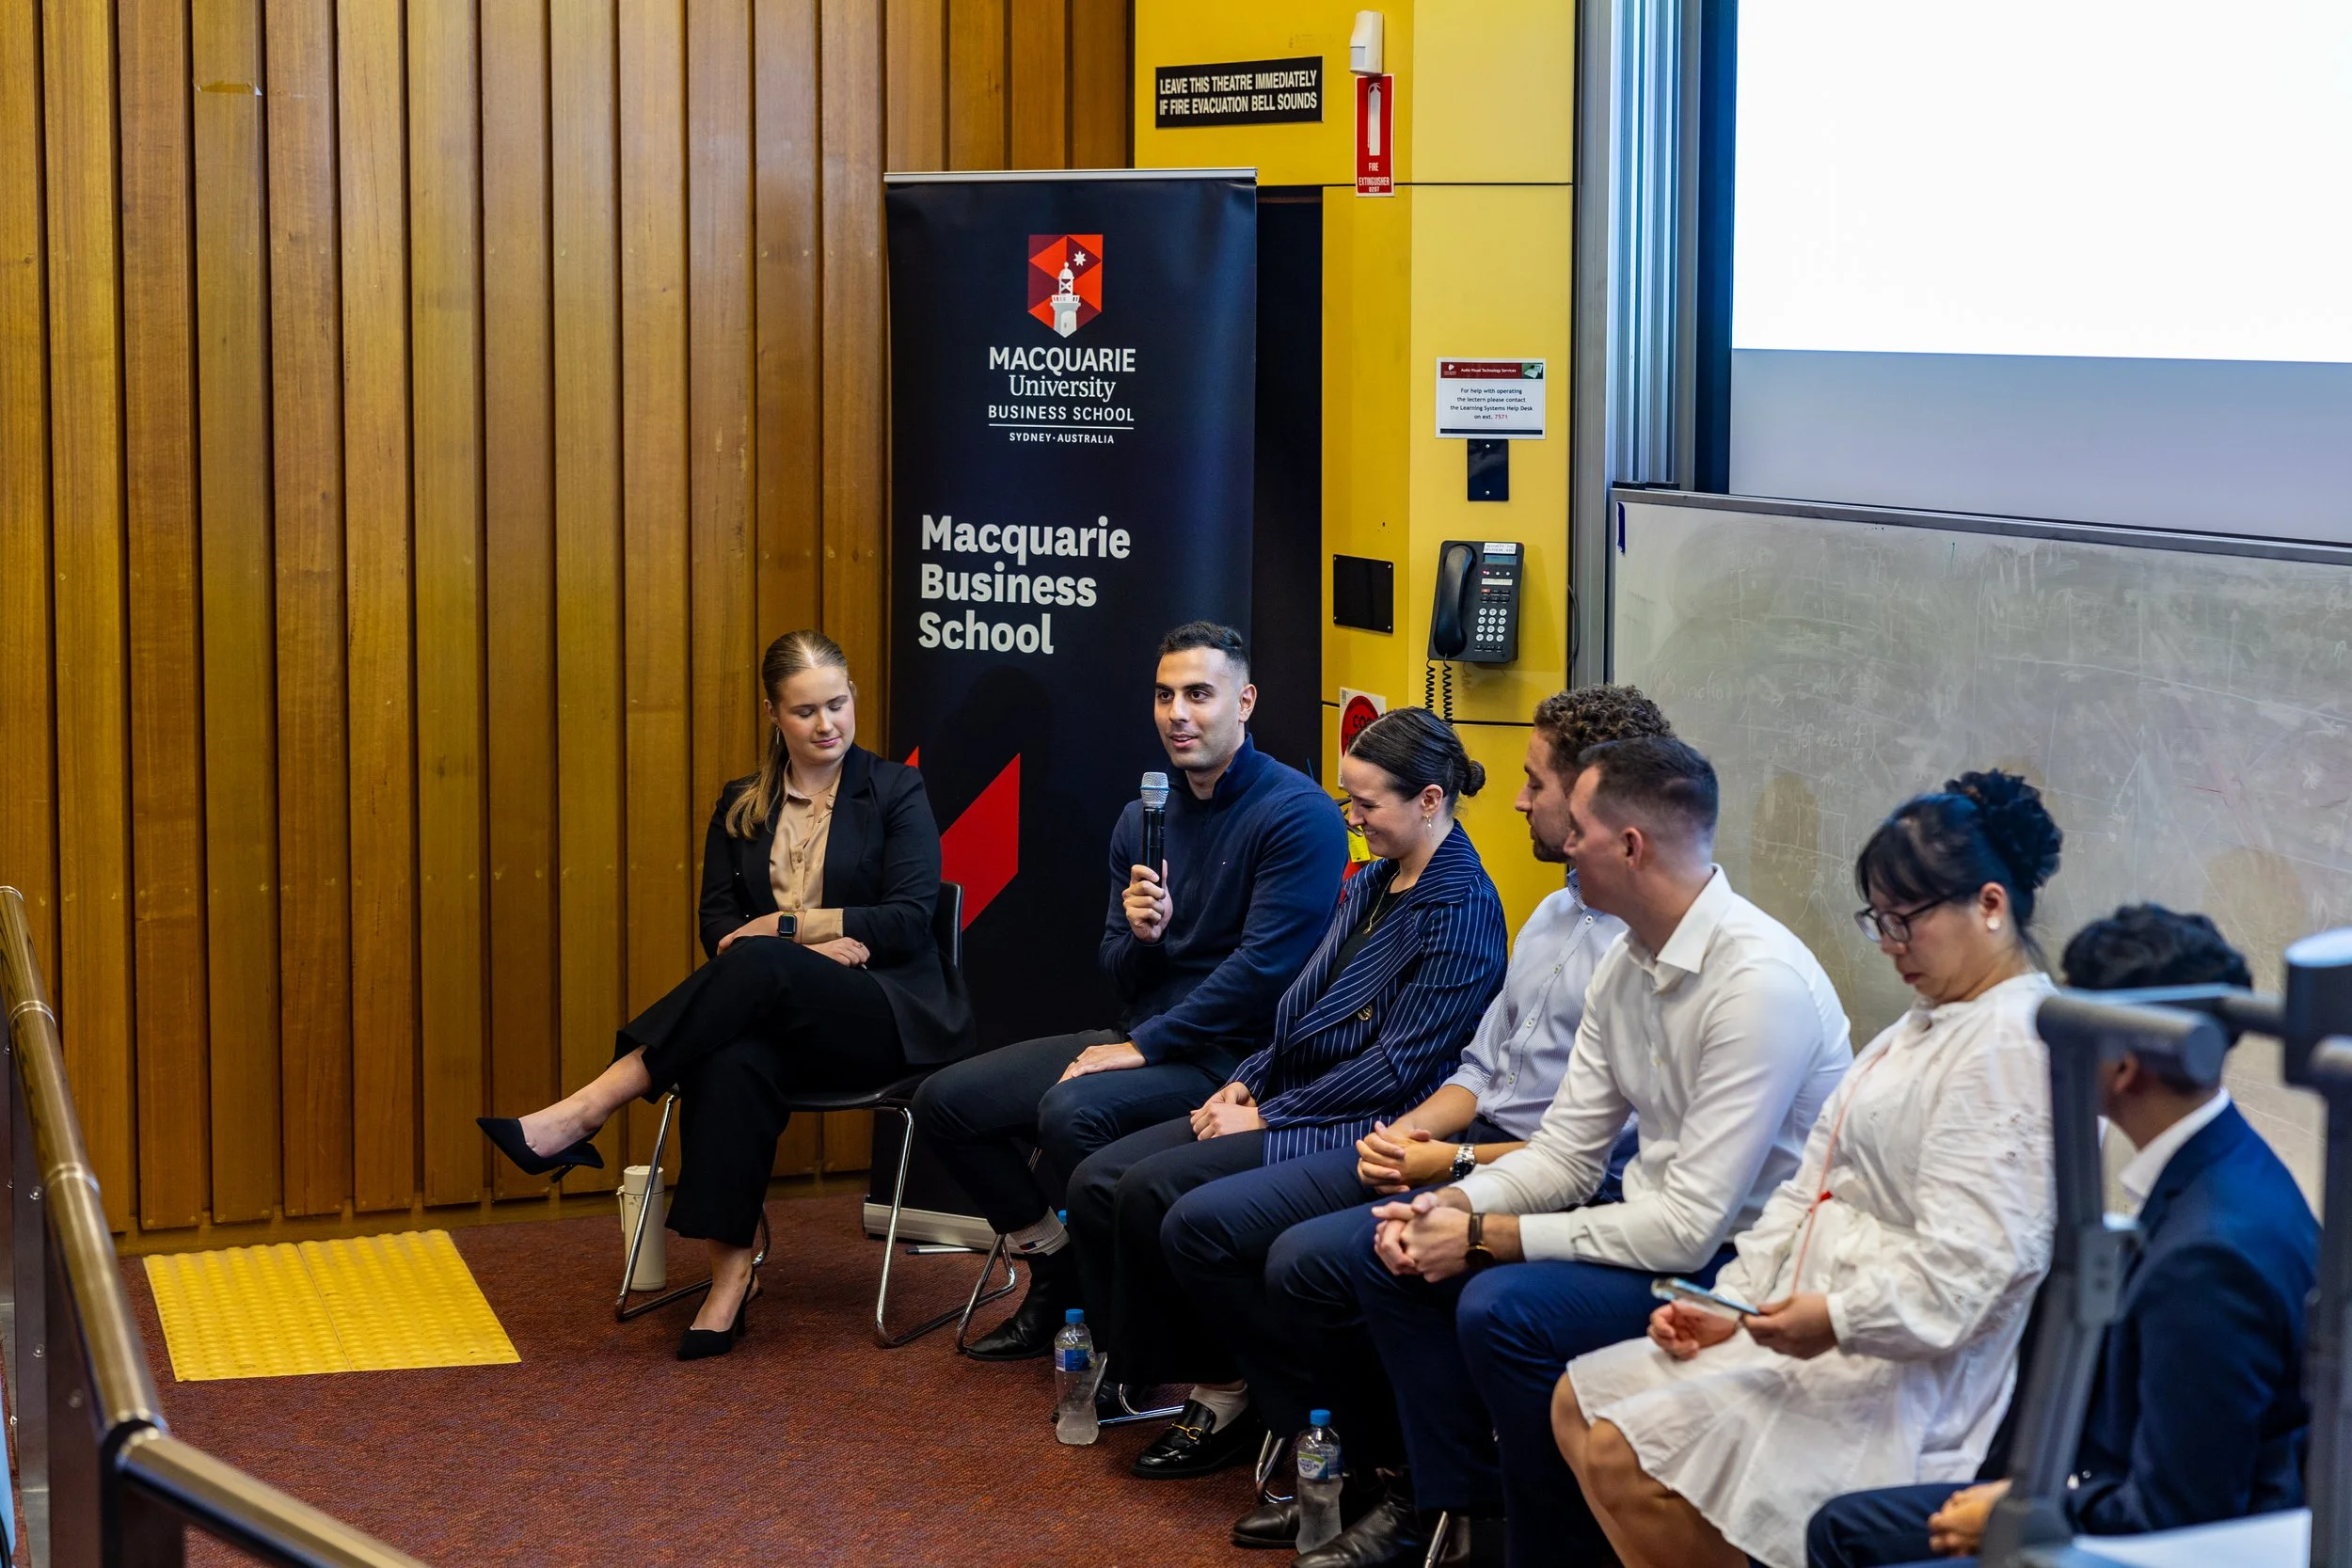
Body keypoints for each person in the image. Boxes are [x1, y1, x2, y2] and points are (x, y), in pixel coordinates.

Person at [1308, 735, 1854, 1568]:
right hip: (1651, 1225)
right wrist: (1449, 1207)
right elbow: (1564, 1155)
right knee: (1393, 1256)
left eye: (1581, 831)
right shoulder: (1628, 958)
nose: (1560, 839)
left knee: (1505, 1310)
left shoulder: (1758, 982)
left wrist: (1485, 1236)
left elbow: (1687, 1231)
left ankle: (1553, 1547)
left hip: (1746, 1268)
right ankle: (1461, 1514)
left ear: (1630, 847)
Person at [1152, 686, 1674, 1551]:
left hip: (1533, 1168)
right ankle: (1357, 1470)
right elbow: (1479, 1070)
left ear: (1593, 801)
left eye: (1533, 782)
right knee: (1226, 1229)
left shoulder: (1634, 949)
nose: (1513, 798)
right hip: (1466, 1139)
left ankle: (1416, 1491)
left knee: (1319, 1260)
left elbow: (1602, 1153)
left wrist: (1453, 1167)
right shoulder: (1552, 913)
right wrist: (1414, 1135)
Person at [1554, 769, 2068, 1568]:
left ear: (1991, 905)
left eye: (1906, 921)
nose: (1890, 945)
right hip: (1807, 1321)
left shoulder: (2011, 1046)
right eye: (1880, 921)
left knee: (1624, 1450)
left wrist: (1835, 1317)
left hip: (1900, 1372)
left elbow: (1970, 1275)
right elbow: (1807, 1190)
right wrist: (1725, 1300)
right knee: (1578, 1405)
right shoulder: (1924, 1023)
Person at [478, 630, 972, 1359]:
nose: (827, 723)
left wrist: (782, 927)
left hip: (883, 1014)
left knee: (762, 963)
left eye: (838, 704)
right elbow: (717, 926)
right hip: (779, 1014)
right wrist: (798, 949)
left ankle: (589, 1106)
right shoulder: (742, 803)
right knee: (729, 1051)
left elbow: (905, 920)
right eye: (806, 711)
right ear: (775, 714)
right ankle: (730, 1273)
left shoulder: (896, 790)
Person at [1068, 706, 1510, 1480]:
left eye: (1367, 803)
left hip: (1362, 1120)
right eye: (1350, 799)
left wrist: (1267, 1110)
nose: (1353, 817)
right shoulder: (1375, 878)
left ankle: (1245, 1395)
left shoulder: (1463, 906)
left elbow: (1401, 1067)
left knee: (1167, 1199)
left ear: (1431, 800)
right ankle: (1207, 1373)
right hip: (1292, 1092)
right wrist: (1244, 1079)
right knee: (1109, 1180)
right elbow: (1297, 1011)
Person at [1805, 904, 2317, 1568]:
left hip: (2153, 1534)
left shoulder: (2209, 1258)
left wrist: (2022, 1513)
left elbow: (2178, 1513)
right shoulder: (2225, 1161)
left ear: (2123, 1065)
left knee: (1852, 1537)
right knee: (1845, 1525)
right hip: (2101, 1482)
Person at [909, 622, 1349, 1361]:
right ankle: (1057, 1268)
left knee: (1072, 1108)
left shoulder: (1296, 813)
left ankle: (1125, 1338)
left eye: (1199, 694)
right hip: (1144, 1036)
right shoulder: (1140, 816)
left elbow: (1263, 977)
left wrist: (1140, 1046)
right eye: (1164, 694)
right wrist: (1148, 940)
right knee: (944, 1103)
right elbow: (1114, 965)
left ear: (1244, 702)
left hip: (1235, 1063)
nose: (1178, 712)